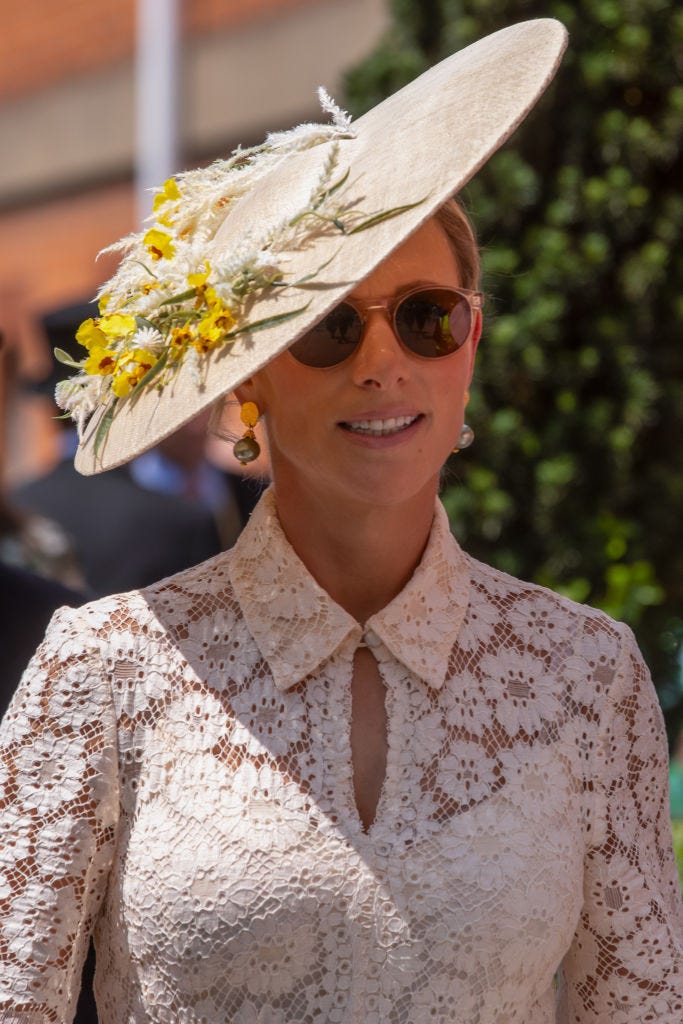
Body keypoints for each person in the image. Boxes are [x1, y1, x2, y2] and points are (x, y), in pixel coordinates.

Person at [0, 19, 681, 1024]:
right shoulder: (102, 669)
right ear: (248, 381)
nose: (381, 362)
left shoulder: (584, 677)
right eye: (328, 324)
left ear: (470, 341)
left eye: (424, 316)